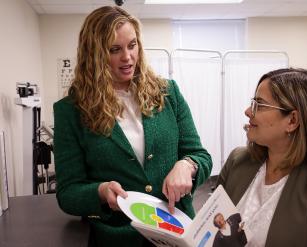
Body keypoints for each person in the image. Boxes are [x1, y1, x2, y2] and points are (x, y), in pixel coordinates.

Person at [53, 6, 212, 247]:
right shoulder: (71, 111)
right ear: (94, 55)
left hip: (177, 232)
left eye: (132, 45)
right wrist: (101, 191)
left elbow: (201, 156)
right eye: (114, 50)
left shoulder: (168, 94)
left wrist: (186, 165)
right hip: (118, 237)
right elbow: (67, 193)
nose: (127, 57)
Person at [217, 68, 307, 246]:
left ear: (292, 120)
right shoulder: (237, 161)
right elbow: (209, 228)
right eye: (252, 102)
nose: (248, 111)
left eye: (259, 105)